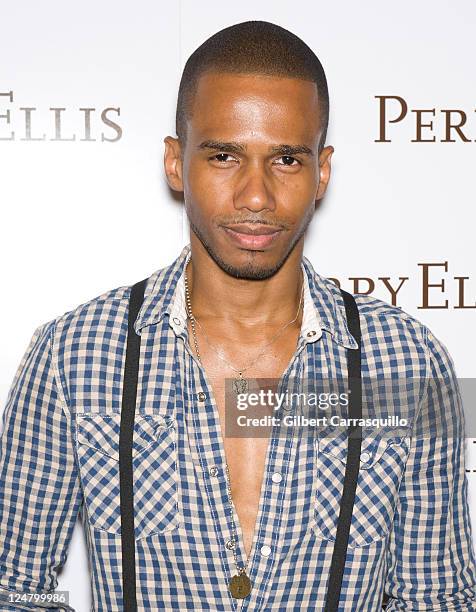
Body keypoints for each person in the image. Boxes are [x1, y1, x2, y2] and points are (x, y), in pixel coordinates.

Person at [1, 20, 475, 612]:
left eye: (286, 160)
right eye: (224, 155)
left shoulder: (404, 362)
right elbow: (12, 589)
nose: (256, 196)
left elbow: (438, 598)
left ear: (322, 171)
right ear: (176, 163)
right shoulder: (75, 354)